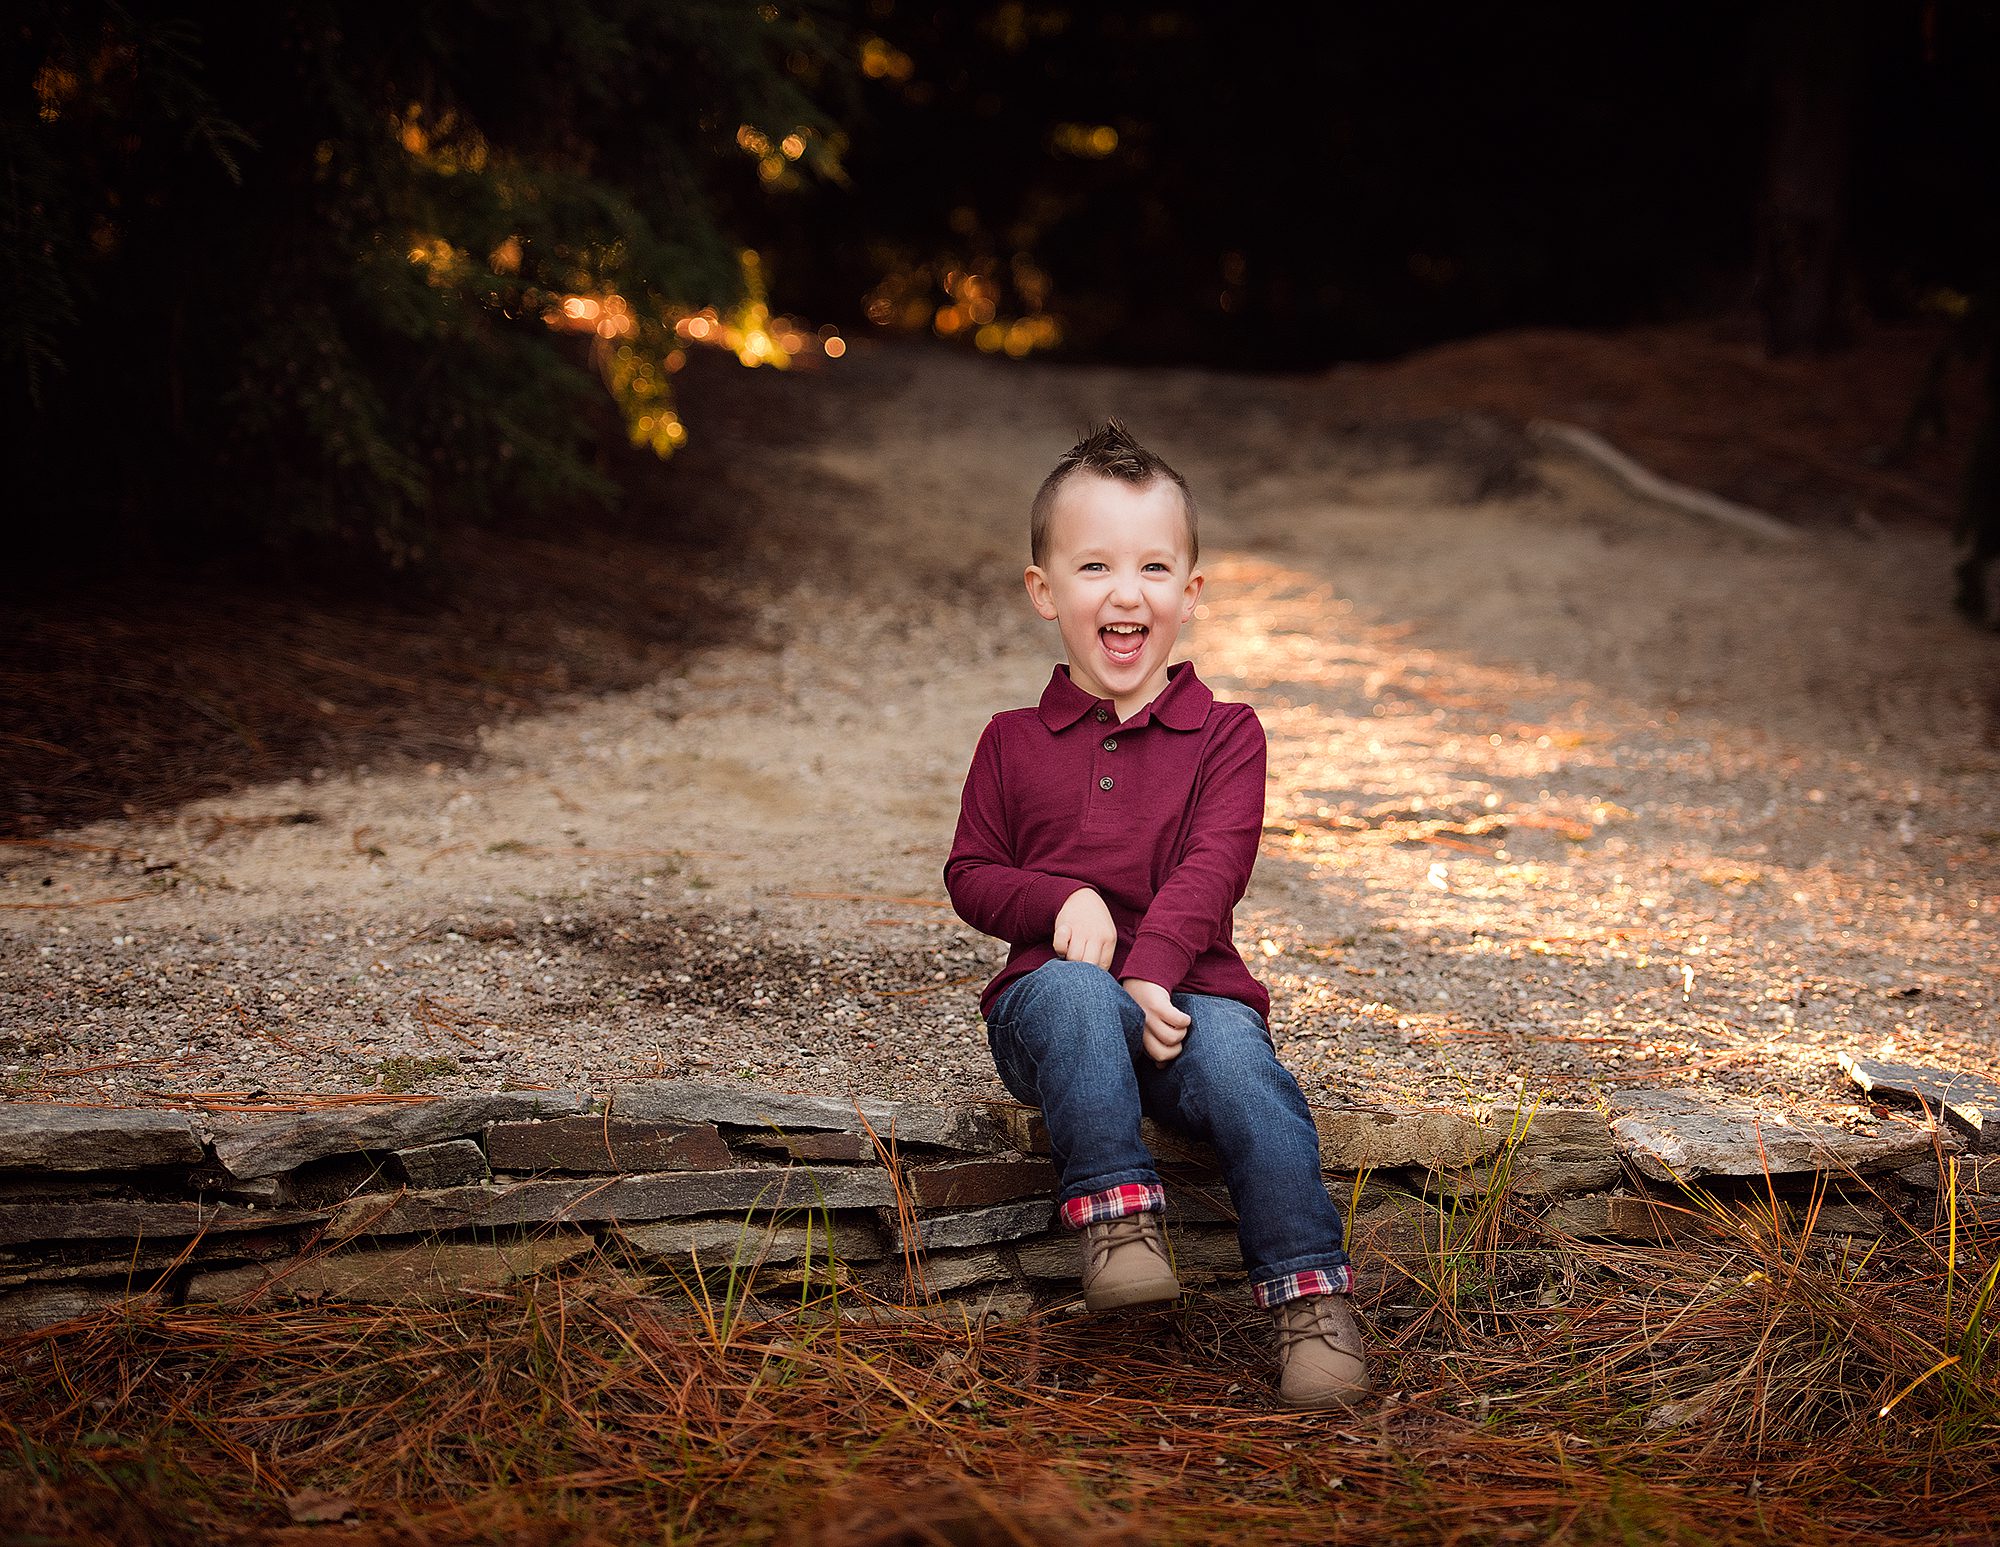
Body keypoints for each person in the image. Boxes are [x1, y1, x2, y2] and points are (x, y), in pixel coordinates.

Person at [943, 420, 1370, 1409]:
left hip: (1191, 1000)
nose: (1123, 591)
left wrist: (1156, 963)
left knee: (1242, 1069)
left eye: (1151, 565)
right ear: (1044, 590)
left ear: (1189, 591)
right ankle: (1117, 1222)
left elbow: (1215, 863)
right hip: (1051, 1011)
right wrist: (1062, 900)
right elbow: (970, 872)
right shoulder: (1009, 742)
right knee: (1074, 994)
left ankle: (1310, 1300)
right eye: (1092, 564)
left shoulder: (1227, 734)